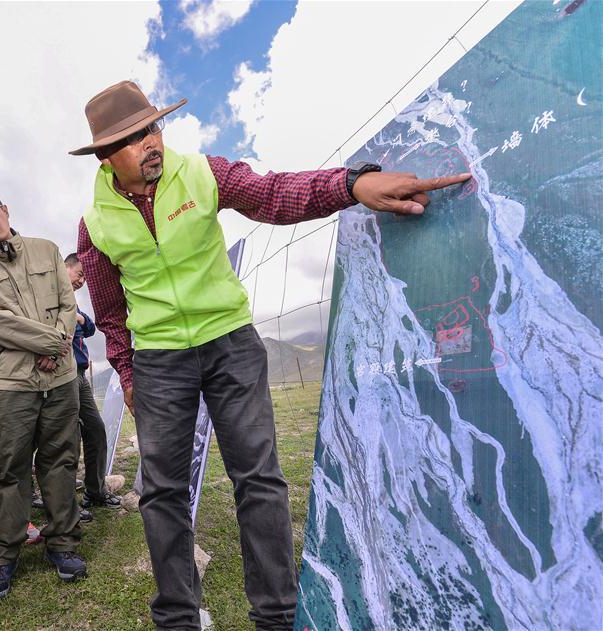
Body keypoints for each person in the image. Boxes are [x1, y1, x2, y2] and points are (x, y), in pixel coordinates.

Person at [70, 80, 472, 630]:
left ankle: (278, 616)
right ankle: (178, 617)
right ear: (107, 157)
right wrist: (129, 374)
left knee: (258, 477)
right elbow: (111, 314)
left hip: (231, 342)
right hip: (160, 360)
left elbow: (277, 193)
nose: (152, 142)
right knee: (161, 490)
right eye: (135, 138)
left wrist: (353, 184)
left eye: (153, 127)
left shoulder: (203, 173)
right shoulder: (94, 225)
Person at [0, 188, 86, 601]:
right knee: (8, 467)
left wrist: (59, 345)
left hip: (61, 379)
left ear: (5, 209)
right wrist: (53, 344)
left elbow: (69, 306)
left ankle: (63, 544)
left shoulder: (47, 249)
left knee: (61, 460)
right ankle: (3, 555)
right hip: (12, 383)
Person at [64, 253, 120, 511]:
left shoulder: (71, 301)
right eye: (80, 275)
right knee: (68, 439)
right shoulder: (50, 294)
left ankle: (95, 490)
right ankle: (66, 505)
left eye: (85, 278)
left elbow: (90, 329)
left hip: (80, 375)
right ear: (66, 267)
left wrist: (81, 318)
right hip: (62, 376)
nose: (82, 281)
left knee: (95, 430)